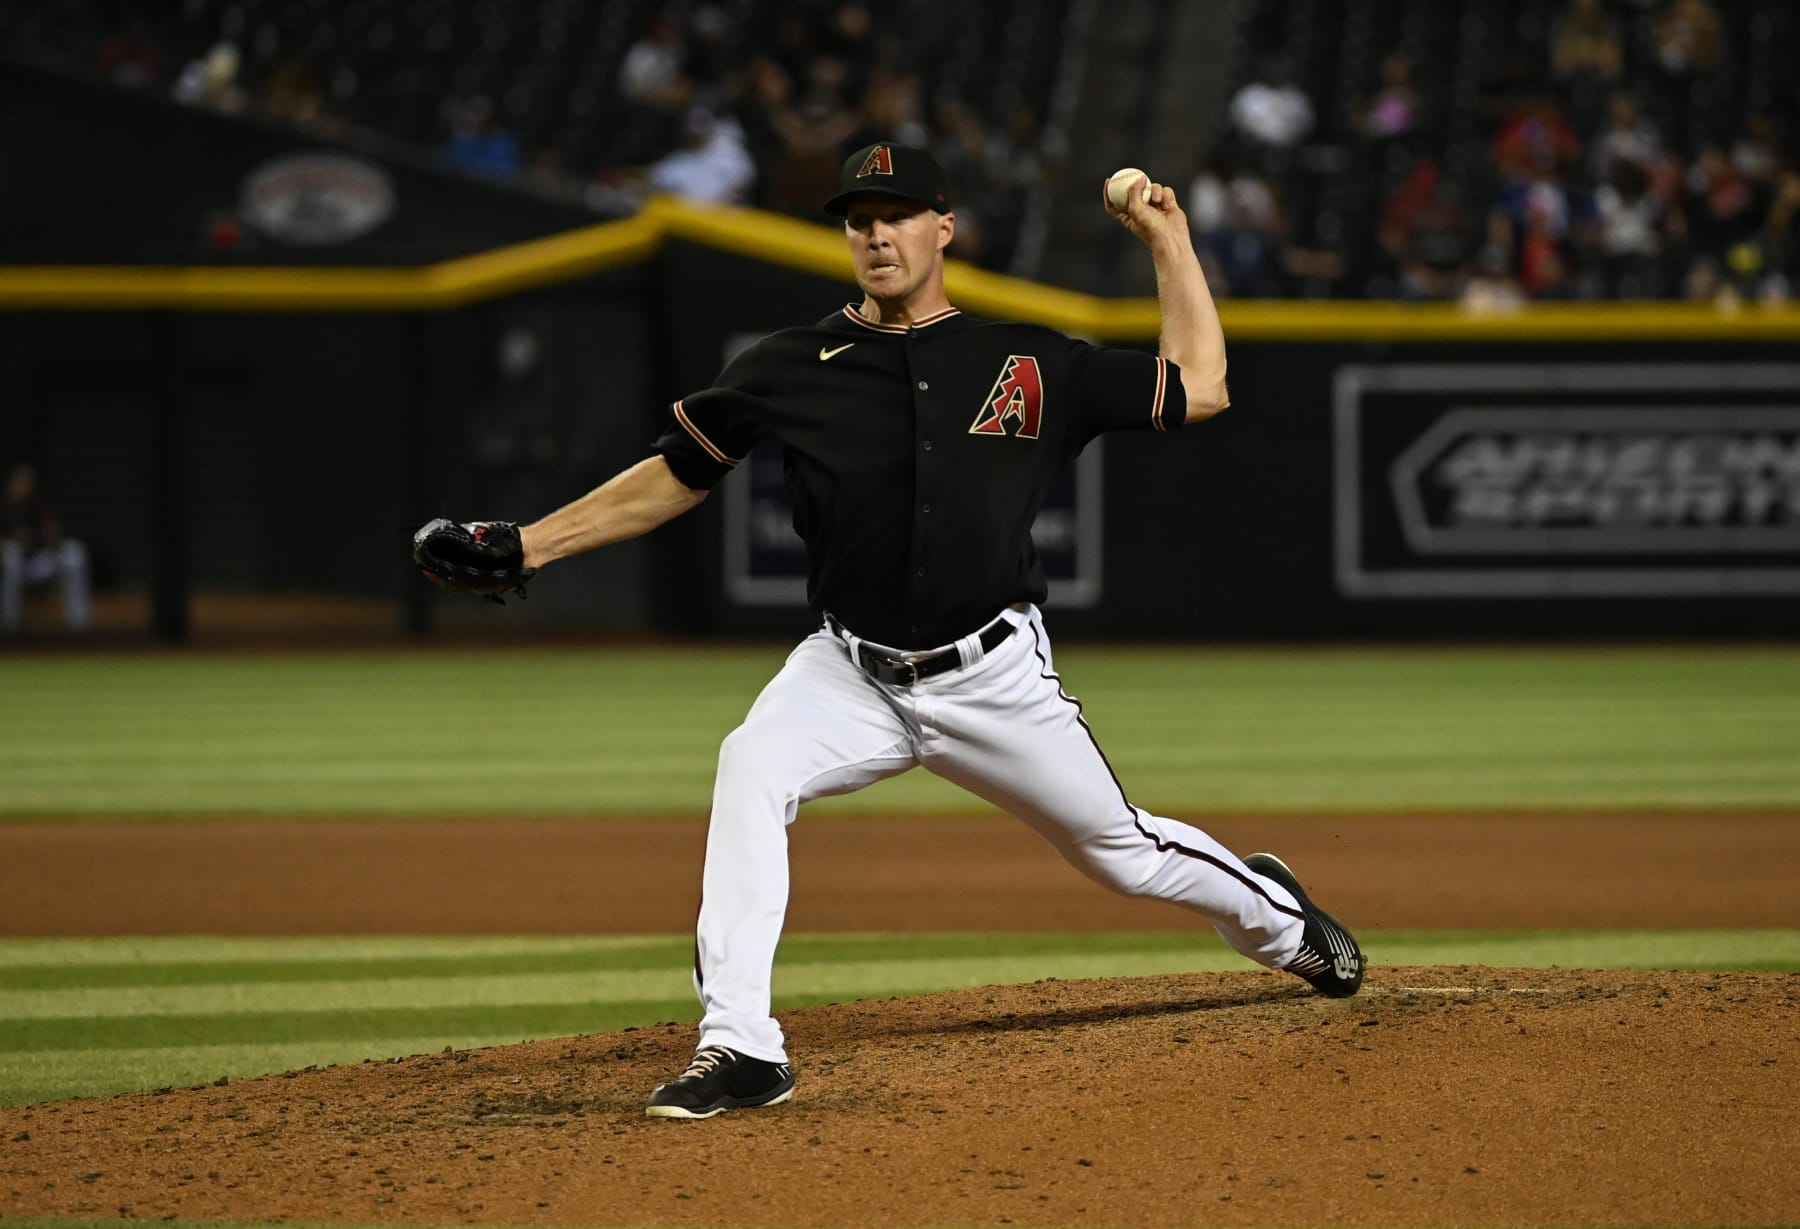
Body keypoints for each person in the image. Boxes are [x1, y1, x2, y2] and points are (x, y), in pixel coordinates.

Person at [417, 142, 1365, 1120]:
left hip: (992, 674)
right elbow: (673, 475)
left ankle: (1281, 921)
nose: (876, 231)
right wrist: (531, 544)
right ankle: (740, 1043)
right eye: (859, 217)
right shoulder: (787, 366)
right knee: (750, 765)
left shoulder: (1031, 359)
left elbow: (1199, 386)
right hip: (850, 668)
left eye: (898, 212)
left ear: (943, 228)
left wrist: (1167, 235)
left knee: (1122, 853)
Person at [1, 464, 92, 635]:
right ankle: (9, 626)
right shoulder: (5, 509)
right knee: (10, 554)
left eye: (27, 485)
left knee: (74, 553)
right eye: (20, 485)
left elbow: (52, 534)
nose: (23, 489)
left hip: (40, 561)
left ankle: (79, 625)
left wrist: (50, 536)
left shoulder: (38, 507)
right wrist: (16, 541)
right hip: (15, 565)